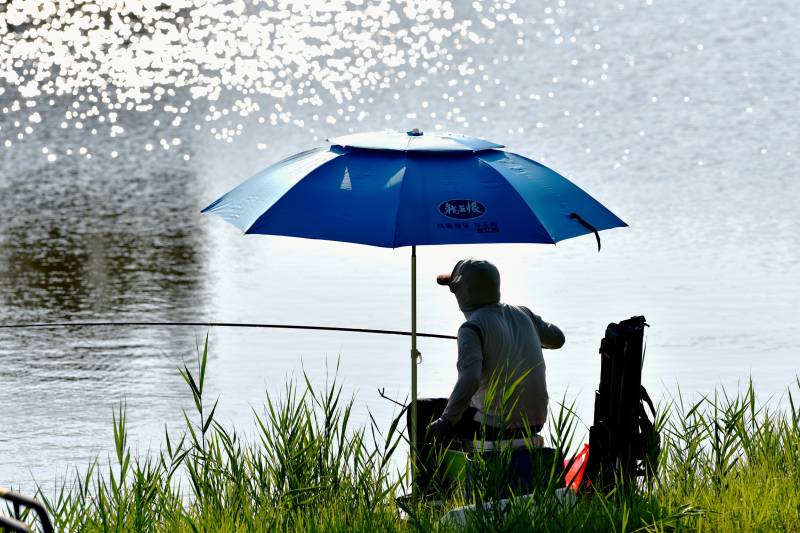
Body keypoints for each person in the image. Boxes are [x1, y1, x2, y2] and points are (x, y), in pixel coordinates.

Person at [424, 258, 565, 443]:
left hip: (493, 426)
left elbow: (470, 379)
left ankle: (428, 470)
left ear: (460, 291)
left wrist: (445, 420)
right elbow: (558, 339)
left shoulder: (471, 328)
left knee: (421, 410)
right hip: (535, 422)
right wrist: (522, 336)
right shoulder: (524, 313)